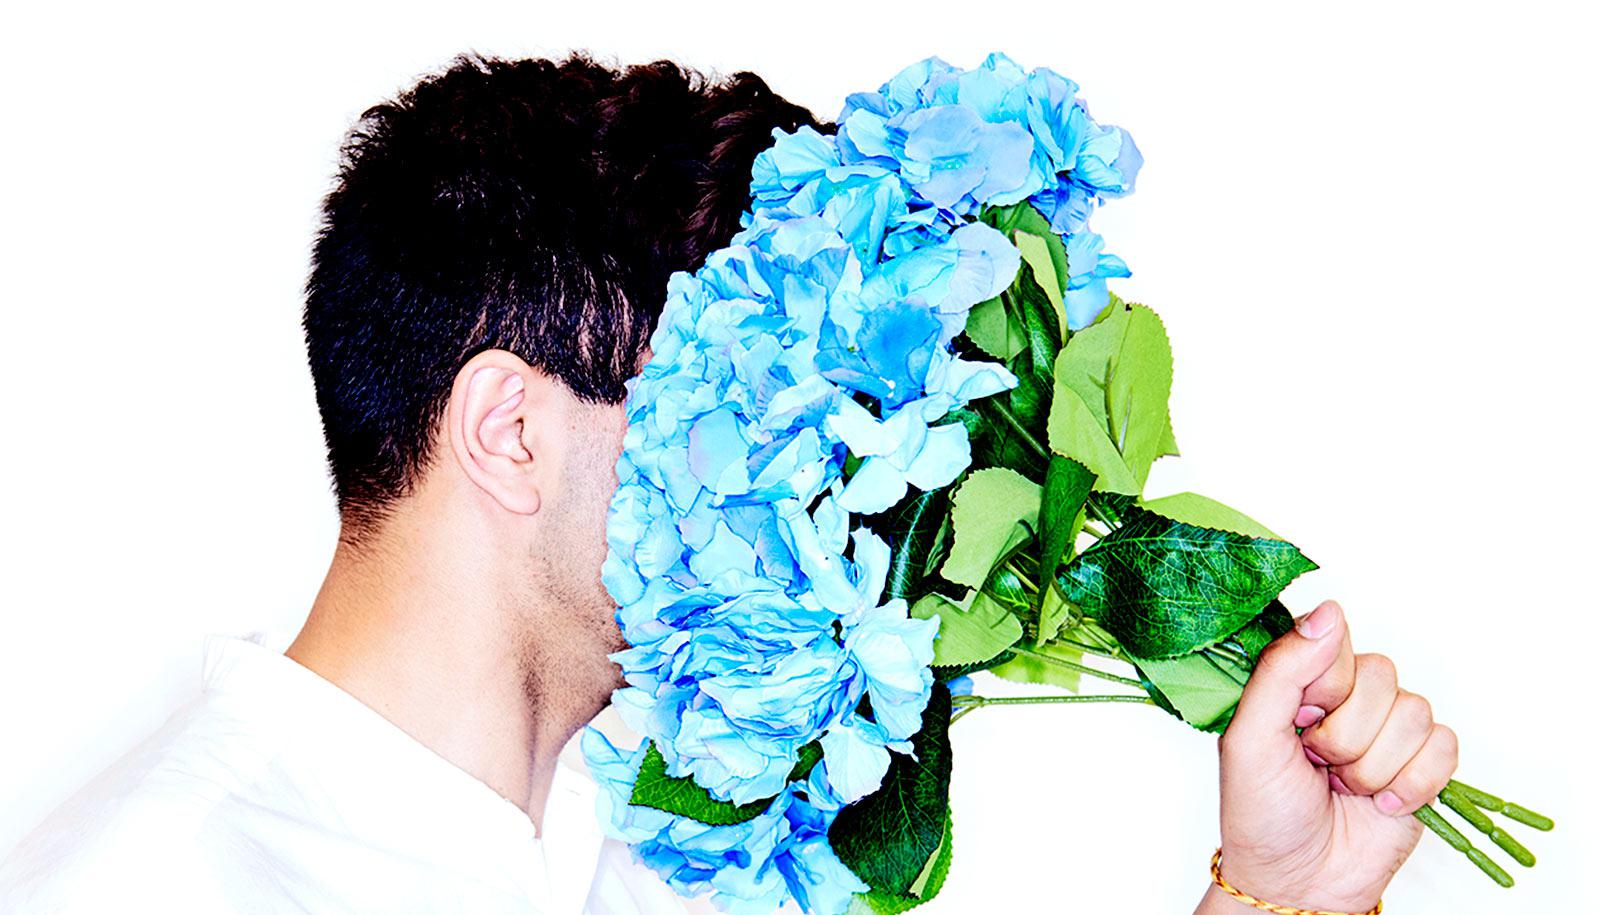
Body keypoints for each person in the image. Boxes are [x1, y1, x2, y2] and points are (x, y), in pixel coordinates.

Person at [0, 50, 1456, 915]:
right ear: (511, 432)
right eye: (747, 410)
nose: (838, 482)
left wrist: (1281, 899)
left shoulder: (643, 835)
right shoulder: (171, 889)